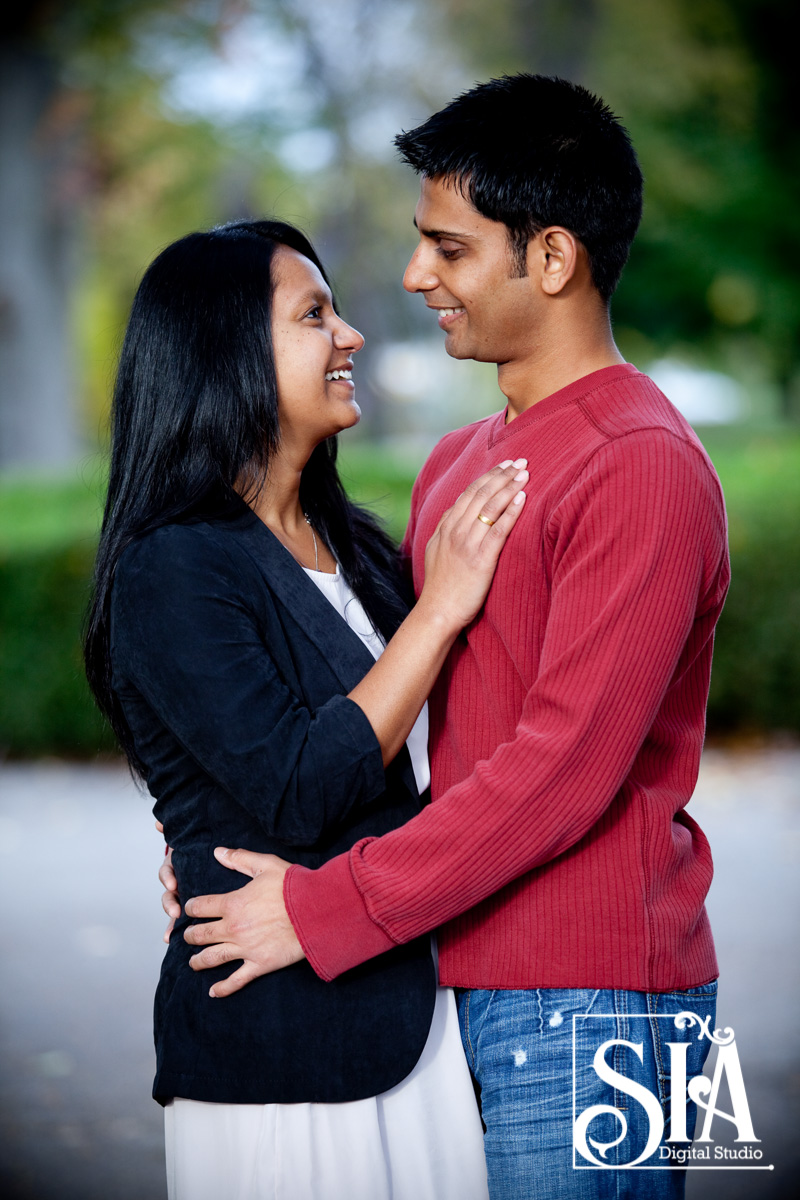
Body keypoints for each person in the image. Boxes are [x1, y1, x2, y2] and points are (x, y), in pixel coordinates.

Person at [173, 77, 731, 1198]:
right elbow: (375, 692)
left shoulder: (643, 466)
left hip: (607, 1003)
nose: (416, 276)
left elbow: (559, 773)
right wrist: (215, 844)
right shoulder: (456, 465)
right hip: (454, 983)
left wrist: (322, 909)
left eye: (449, 248)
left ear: (554, 260)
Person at [84, 217, 531, 1200]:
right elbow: (296, 787)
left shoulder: (360, 553)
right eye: (312, 314)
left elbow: (438, 762)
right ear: (225, 350)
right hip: (281, 1054)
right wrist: (445, 606)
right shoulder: (172, 566)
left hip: (415, 1030)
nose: (351, 336)